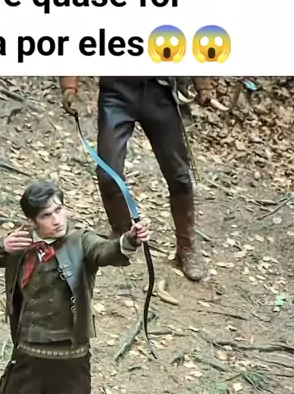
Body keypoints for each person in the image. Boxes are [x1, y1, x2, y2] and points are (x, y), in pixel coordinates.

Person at [0, 180, 150, 394]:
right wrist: (1, 245)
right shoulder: (21, 244)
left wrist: (130, 239)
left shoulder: (81, 241)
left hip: (71, 365)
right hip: (27, 361)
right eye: (46, 215)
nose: (57, 220)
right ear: (31, 221)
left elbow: (107, 250)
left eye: (59, 210)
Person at [59, 75, 210, 281]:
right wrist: (69, 85)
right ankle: (121, 236)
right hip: (117, 90)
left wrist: (203, 86)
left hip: (159, 90)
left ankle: (186, 247)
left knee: (180, 177)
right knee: (108, 174)